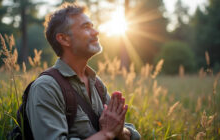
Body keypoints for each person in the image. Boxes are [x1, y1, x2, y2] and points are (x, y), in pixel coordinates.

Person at [26, 2, 141, 140]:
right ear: (64, 39)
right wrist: (107, 134)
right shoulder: (46, 87)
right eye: (86, 27)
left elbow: (131, 134)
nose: (96, 32)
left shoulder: (96, 84)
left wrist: (120, 131)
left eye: (92, 26)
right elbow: (110, 131)